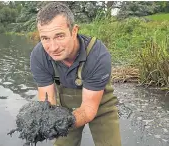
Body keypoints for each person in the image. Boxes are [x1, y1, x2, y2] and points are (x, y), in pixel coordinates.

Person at [30, 2, 121, 146]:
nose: (52, 48)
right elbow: (47, 100)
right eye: (45, 38)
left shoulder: (97, 55)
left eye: (59, 36)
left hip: (99, 104)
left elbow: (89, 110)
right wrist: (49, 123)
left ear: (74, 31)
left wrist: (61, 124)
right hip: (64, 107)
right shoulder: (39, 55)